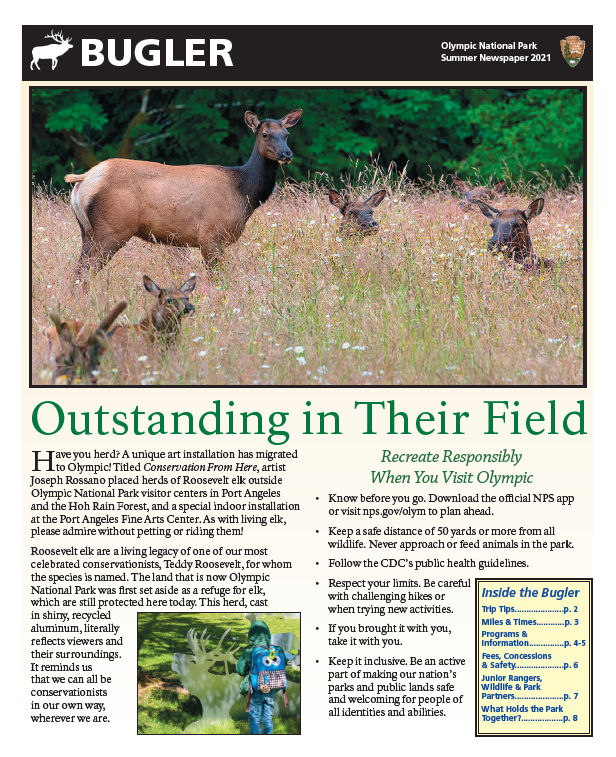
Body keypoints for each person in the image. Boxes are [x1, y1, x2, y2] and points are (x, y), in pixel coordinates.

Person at [236, 619, 287, 734]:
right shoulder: (277, 650)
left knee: (254, 718)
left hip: (256, 689)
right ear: (267, 634)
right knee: (267, 717)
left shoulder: (249, 651)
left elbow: (239, 669)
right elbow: (282, 667)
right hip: (271, 689)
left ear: (252, 635)